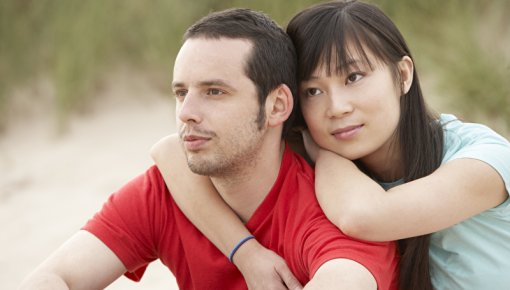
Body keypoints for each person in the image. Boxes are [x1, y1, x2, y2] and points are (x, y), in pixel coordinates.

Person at [19, 7, 400, 290]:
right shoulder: (162, 192)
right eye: (181, 93)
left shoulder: (328, 209)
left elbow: (346, 278)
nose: (186, 113)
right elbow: (56, 277)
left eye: (215, 92)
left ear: (277, 106)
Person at [150, 1, 510, 290]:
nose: (337, 107)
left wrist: (323, 153)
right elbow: (169, 152)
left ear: (402, 75)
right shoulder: (333, 165)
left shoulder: (483, 158)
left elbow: (366, 216)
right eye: (313, 91)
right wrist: (246, 253)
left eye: (354, 77)